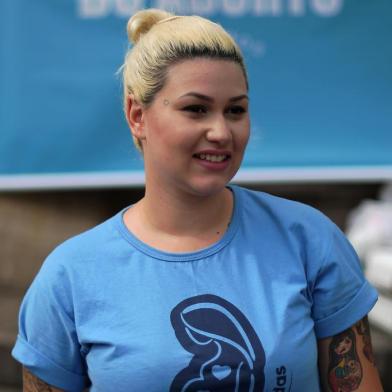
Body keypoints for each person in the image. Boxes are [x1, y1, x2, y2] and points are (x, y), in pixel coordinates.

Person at [12, 8, 384, 392]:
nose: (221, 131)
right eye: (196, 109)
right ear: (137, 115)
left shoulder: (309, 240)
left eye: (235, 110)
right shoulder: (69, 277)